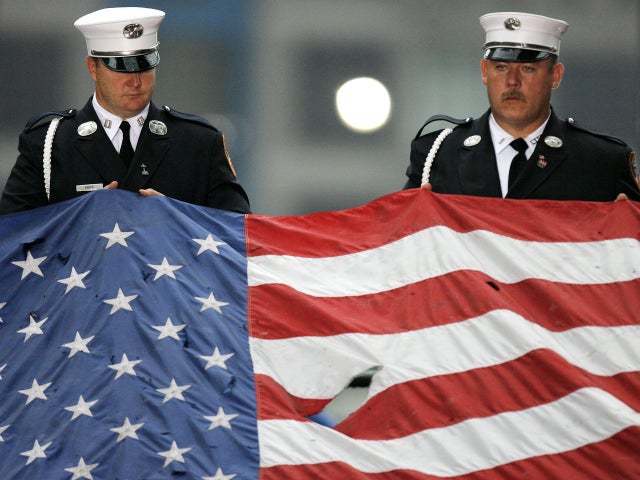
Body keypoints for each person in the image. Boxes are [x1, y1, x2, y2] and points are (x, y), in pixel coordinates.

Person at [0, 7, 251, 215]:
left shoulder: (199, 143)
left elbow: (239, 237)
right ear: (93, 68)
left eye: (145, 66)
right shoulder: (49, 144)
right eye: (122, 68)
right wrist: (79, 218)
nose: (136, 81)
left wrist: (178, 218)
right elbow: (13, 239)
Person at [404, 11, 640, 202]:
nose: (512, 82)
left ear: (555, 76)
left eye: (527, 69)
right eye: (501, 68)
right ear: (485, 72)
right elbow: (398, 240)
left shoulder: (600, 162)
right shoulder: (437, 156)